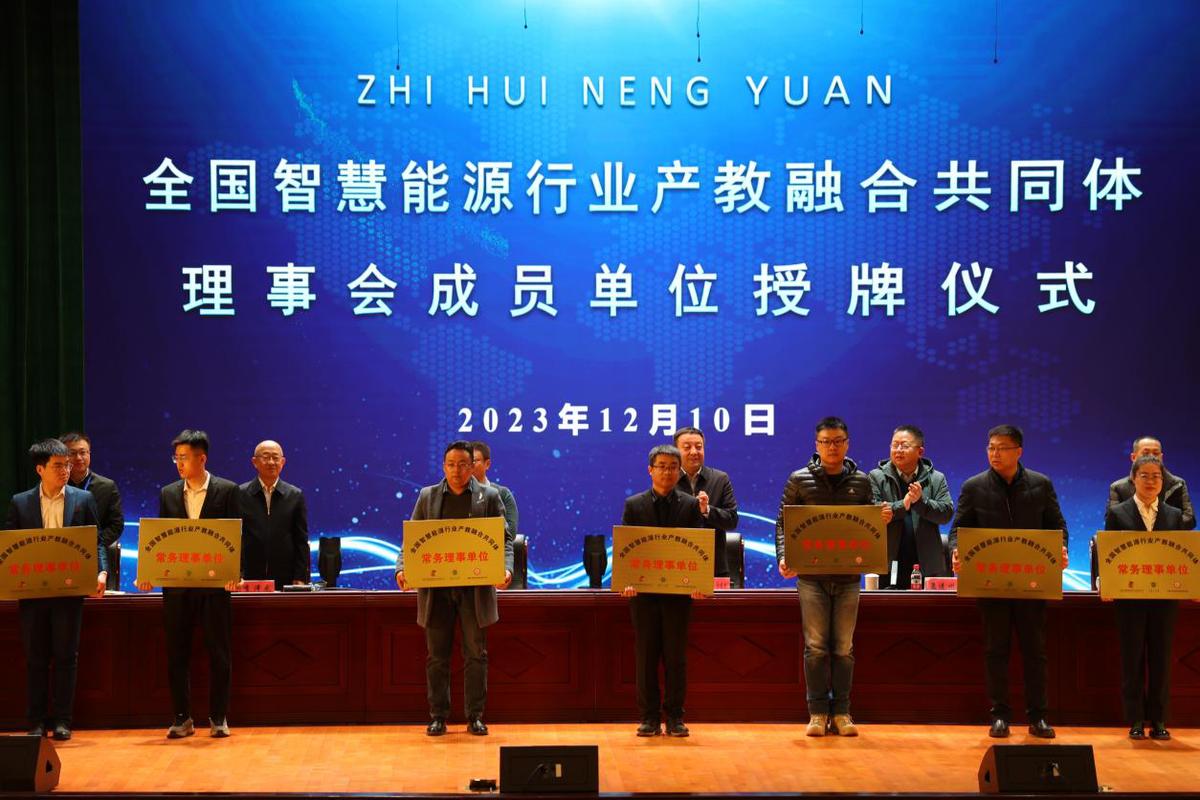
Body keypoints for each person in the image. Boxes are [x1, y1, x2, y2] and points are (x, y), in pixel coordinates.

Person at [775, 417, 893, 737]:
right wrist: (784, 556)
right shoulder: (799, 479)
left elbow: (871, 523)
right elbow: (783, 523)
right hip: (811, 577)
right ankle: (817, 712)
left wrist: (882, 517)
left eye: (838, 441)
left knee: (843, 647)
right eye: (826, 441)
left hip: (848, 578)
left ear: (847, 444)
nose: (832, 447)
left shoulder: (861, 481)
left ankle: (841, 712)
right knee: (815, 647)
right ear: (817, 445)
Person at [949, 424, 1068, 739]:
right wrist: (956, 551)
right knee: (995, 651)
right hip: (992, 584)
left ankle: (1038, 717)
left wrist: (1061, 549)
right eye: (990, 447)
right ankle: (999, 715)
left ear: (1019, 451)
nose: (995, 453)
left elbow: (1057, 526)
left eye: (1002, 448)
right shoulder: (974, 486)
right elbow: (958, 530)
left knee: (1035, 653)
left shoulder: (1040, 484)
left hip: (1031, 583)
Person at [395, 441, 513, 737]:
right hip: (437, 591)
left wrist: (507, 569)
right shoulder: (428, 496)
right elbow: (411, 539)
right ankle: (438, 716)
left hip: (475, 590)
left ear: (473, 467)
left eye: (462, 464)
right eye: (451, 464)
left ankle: (475, 716)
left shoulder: (489, 497)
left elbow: (505, 540)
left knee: (476, 654)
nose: (456, 470)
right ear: (443, 466)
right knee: (437, 656)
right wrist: (401, 568)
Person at [137, 430, 241, 739]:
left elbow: (238, 535)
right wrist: (148, 573)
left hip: (215, 587)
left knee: (219, 653)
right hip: (177, 588)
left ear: (202, 458)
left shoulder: (227, 490)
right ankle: (182, 718)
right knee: (176, 654)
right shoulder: (168, 493)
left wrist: (236, 573)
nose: (179, 464)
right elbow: (161, 538)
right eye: (176, 458)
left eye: (184, 458)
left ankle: (218, 717)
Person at [5, 440, 107, 740]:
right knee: (36, 658)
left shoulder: (83, 499)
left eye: (67, 465)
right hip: (33, 593)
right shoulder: (20, 502)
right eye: (58, 466)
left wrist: (101, 571)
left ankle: (63, 720)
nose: (66, 470)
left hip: (69, 591)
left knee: (66, 657)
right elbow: (10, 546)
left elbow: (96, 540)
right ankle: (35, 721)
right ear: (40, 469)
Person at [621, 444, 708, 738]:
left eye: (673, 467)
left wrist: (697, 583)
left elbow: (696, 548)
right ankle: (648, 717)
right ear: (650, 470)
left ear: (679, 471)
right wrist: (627, 581)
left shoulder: (689, 505)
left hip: (678, 595)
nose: (667, 472)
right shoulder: (634, 505)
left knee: (675, 657)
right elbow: (628, 549)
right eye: (662, 466)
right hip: (643, 595)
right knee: (646, 656)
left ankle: (675, 717)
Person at [1104, 455, 1188, 740]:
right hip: (1130, 598)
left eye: (1156, 476)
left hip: (1165, 598)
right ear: (1133, 479)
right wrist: (1109, 585)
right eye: (1145, 475)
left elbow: (1180, 555)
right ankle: (1136, 719)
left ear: (1162, 481)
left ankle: (1159, 719)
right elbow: (1110, 553)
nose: (1151, 481)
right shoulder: (1118, 513)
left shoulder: (1173, 515)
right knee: (1133, 658)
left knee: (1161, 658)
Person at [867, 425, 953, 587]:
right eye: (895, 445)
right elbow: (872, 513)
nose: (898, 450)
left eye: (904, 446)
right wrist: (903, 504)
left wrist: (921, 502)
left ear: (920, 452)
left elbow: (946, 514)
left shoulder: (936, 478)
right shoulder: (876, 477)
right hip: (888, 562)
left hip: (927, 563)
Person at [238, 440, 310, 588]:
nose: (271, 462)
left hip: (285, 577)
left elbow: (301, 540)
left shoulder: (295, 495)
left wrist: (300, 577)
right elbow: (235, 538)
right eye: (265, 457)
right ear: (254, 462)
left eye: (275, 458)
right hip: (248, 577)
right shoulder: (240, 494)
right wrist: (237, 574)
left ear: (282, 462)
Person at [673, 426, 739, 580]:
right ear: (676, 452)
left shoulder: (720, 479)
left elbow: (732, 520)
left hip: (714, 566)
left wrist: (706, 510)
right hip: (676, 565)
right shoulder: (668, 480)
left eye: (699, 447)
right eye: (687, 447)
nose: (694, 452)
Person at [1108, 437, 1194, 530]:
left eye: (1156, 454)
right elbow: (1113, 521)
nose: (1151, 457)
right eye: (1145, 454)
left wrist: (1159, 531)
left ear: (1161, 457)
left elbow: (1189, 518)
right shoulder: (1118, 487)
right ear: (1133, 457)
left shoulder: (1177, 484)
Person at [60, 432, 125, 549]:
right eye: (72, 453)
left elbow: (116, 524)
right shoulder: (56, 485)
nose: (78, 458)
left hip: (95, 549)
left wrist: (94, 544)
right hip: (61, 547)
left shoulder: (107, 487)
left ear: (89, 454)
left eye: (83, 452)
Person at [470, 440, 518, 541]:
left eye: (474, 461)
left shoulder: (503, 494)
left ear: (487, 464)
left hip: (493, 548)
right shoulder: (454, 494)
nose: (469, 465)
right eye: (465, 462)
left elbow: (510, 533)